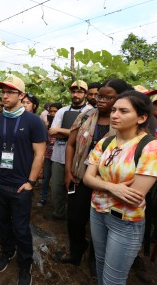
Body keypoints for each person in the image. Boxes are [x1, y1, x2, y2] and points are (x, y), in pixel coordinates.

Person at [56, 79, 132, 275]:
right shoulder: (86, 116)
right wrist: (68, 172)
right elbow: (71, 144)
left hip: (108, 183)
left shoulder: (126, 123)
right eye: (100, 96)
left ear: (121, 99)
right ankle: (76, 251)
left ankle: (95, 258)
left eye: (108, 97)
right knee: (74, 218)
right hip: (80, 177)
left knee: (101, 224)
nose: (101, 100)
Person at [83, 90, 157, 285]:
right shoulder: (105, 142)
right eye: (114, 110)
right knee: (99, 262)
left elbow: (133, 196)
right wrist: (113, 187)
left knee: (113, 279)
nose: (115, 115)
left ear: (141, 117)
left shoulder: (150, 147)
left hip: (125, 221)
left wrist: (99, 182)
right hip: (97, 212)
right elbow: (86, 178)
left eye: (123, 111)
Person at [0, 75, 46, 285]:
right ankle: (7, 251)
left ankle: (25, 263)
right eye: (2, 92)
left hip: (21, 186)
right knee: (2, 223)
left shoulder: (33, 121)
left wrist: (31, 182)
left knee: (21, 227)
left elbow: (39, 153)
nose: (4, 96)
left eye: (10, 92)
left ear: (21, 95)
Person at [46, 80, 92, 220]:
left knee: (74, 188)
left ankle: (73, 214)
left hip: (79, 157)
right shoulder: (62, 110)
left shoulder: (90, 112)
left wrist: (62, 131)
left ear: (85, 94)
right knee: (56, 186)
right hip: (58, 155)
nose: (76, 94)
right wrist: (73, 132)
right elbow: (53, 132)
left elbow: (86, 135)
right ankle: (59, 212)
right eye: (73, 91)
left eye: (79, 91)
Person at [37, 102, 62, 207]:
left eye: (55, 111)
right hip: (48, 155)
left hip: (59, 157)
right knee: (46, 178)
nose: (52, 113)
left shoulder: (62, 124)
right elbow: (43, 141)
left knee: (58, 181)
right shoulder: (46, 124)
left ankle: (58, 201)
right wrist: (44, 128)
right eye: (51, 111)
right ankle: (43, 198)